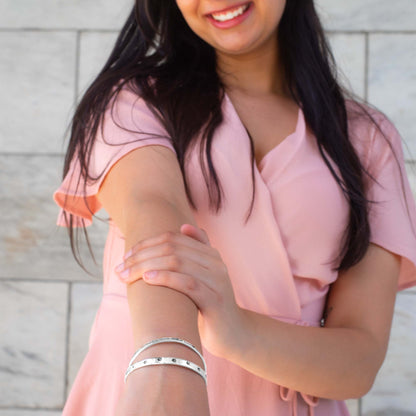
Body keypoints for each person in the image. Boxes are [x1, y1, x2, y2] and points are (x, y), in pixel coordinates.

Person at [53, 1, 416, 415]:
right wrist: (169, 363)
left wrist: (236, 330)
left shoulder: (366, 140)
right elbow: (157, 218)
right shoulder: (134, 102)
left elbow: (359, 361)